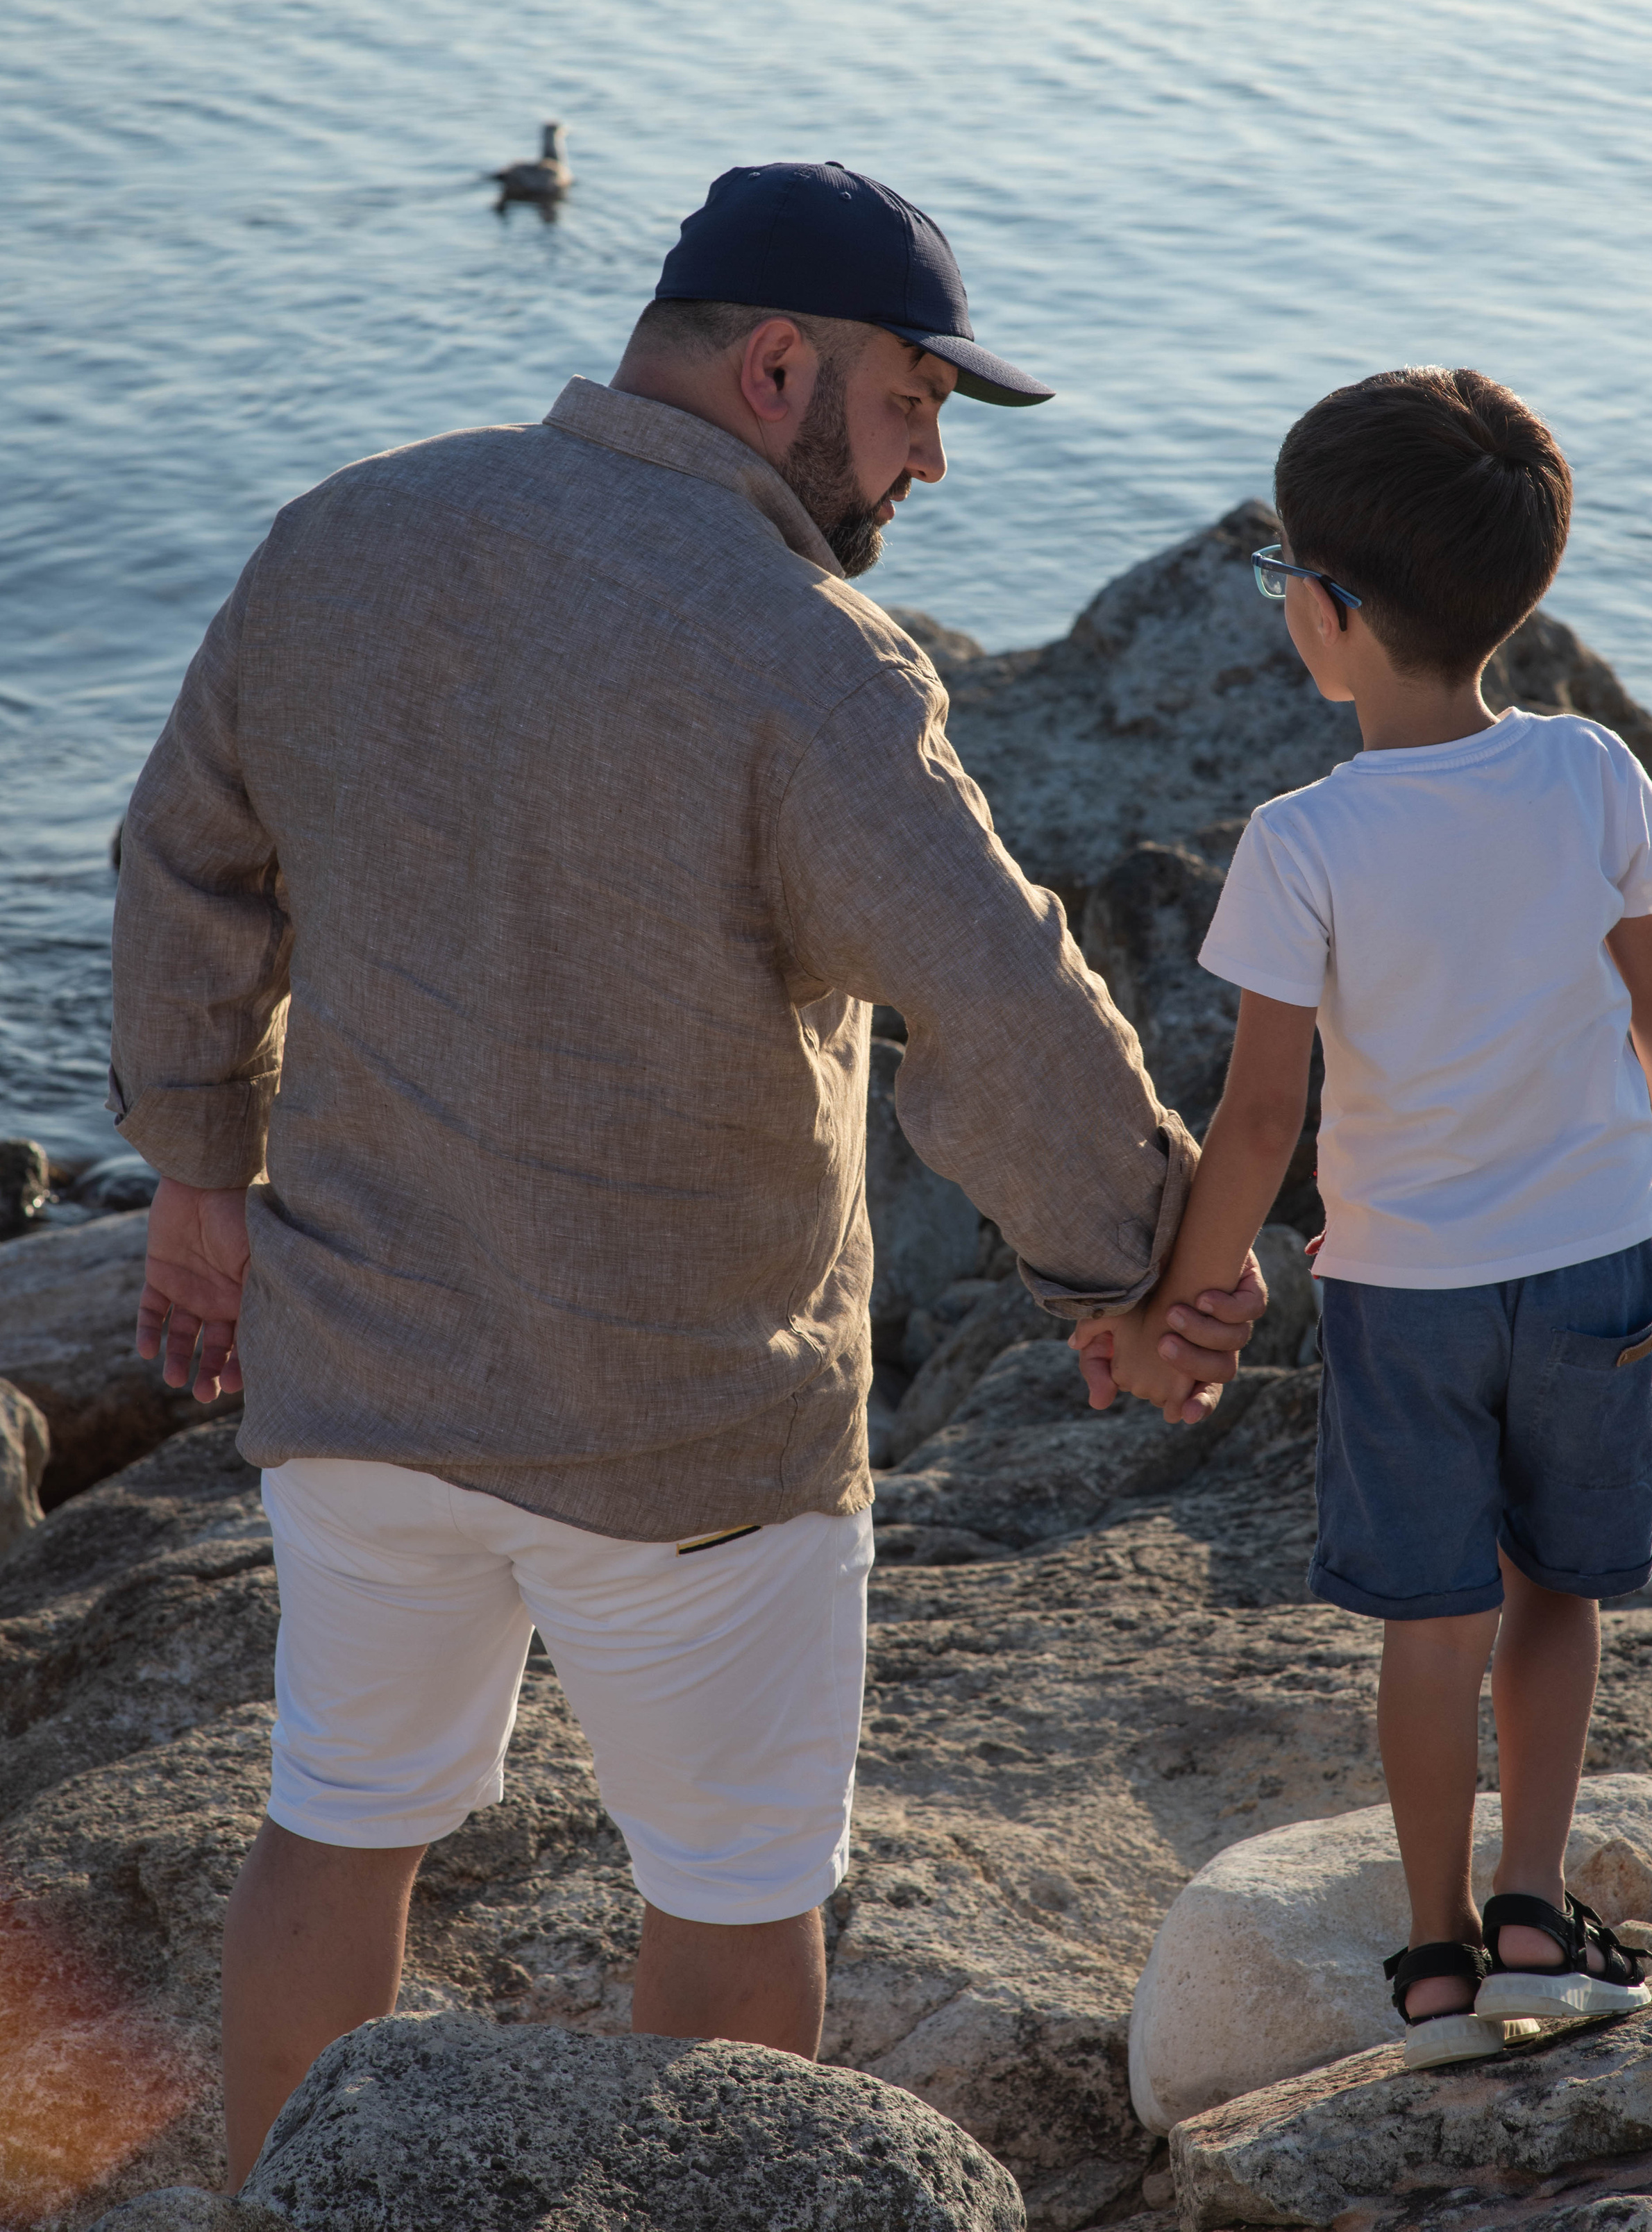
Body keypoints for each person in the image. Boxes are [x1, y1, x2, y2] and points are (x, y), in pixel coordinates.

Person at [111, 159, 1267, 2186]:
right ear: (777, 364)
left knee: (337, 1823)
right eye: (913, 407)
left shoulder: (349, 530)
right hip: (689, 1424)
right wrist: (1135, 1272)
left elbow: (187, 859)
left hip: (362, 1356)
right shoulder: (805, 652)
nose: (924, 467)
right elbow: (994, 1001)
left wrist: (201, 1181)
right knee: (734, 1900)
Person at [1073, 366, 1652, 2068]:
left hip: (1402, 1293)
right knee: (1556, 1595)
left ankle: (1434, 1958)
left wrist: (1185, 1291)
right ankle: (1536, 1909)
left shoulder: (1301, 839)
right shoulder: (1589, 769)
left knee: (1428, 1618)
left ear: (1331, 613)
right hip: (1595, 1253)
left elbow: (1260, 1118)